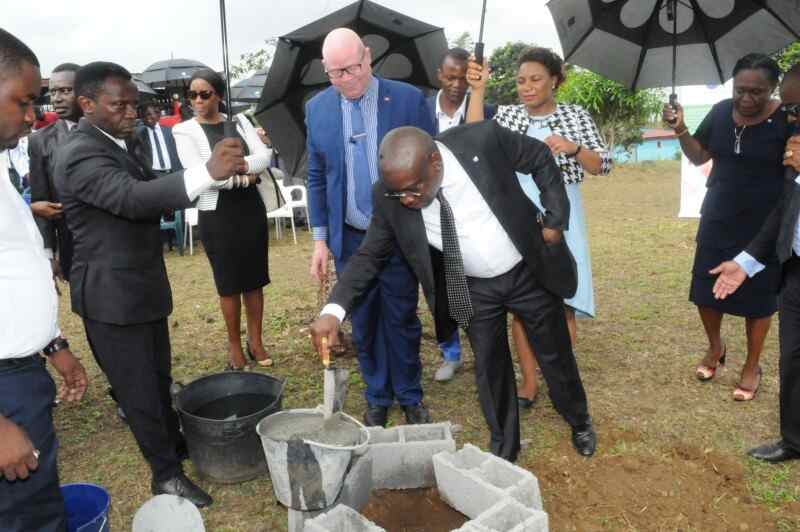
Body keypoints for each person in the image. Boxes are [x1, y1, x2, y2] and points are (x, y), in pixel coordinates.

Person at [311, 123, 596, 461]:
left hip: (526, 269)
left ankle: (579, 420)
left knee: (554, 353)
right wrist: (333, 311)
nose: (406, 199)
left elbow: (539, 157)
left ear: (434, 162)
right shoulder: (390, 196)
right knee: (490, 367)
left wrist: (554, 219)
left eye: (413, 190)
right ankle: (505, 446)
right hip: (471, 286)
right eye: (397, 192)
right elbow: (370, 255)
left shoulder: (484, 140)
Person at [55, 61, 247, 507]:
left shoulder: (122, 140)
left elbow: (149, 186)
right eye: (118, 104)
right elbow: (130, 197)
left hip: (142, 288)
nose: (130, 112)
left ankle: (174, 448)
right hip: (111, 299)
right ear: (87, 105)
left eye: (133, 103)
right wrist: (205, 173)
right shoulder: (80, 151)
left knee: (158, 379)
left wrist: (198, 176)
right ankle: (165, 476)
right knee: (138, 391)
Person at [467, 47, 611, 408]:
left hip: (564, 217)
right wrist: (479, 91)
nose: (526, 88)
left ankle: (558, 373)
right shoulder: (509, 116)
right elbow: (473, 137)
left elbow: (602, 165)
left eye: (535, 80)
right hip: (519, 216)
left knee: (563, 302)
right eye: (520, 81)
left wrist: (572, 147)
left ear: (555, 81)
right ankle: (529, 383)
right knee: (523, 302)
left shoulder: (575, 116)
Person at [306, 28, 435, 427]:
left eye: (351, 69)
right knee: (362, 321)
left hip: (398, 233)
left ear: (368, 56)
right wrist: (320, 240)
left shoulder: (408, 100)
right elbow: (316, 176)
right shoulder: (318, 109)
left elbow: (434, 160)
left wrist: (424, 197)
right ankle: (377, 396)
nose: (345, 79)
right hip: (350, 237)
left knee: (401, 316)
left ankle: (410, 394)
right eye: (334, 73)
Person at [663, 53, 791, 401]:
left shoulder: (787, 119)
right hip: (718, 216)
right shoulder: (721, 111)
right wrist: (680, 129)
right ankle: (716, 347)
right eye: (740, 90)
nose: (746, 99)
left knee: (760, 299)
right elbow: (699, 156)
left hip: (765, 224)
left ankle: (752, 365)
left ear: (773, 89)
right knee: (705, 290)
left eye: (757, 92)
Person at [0, 27, 88, 532]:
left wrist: (52, 344)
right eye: (24, 100)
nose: (33, 116)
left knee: (39, 508)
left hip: (20, 376)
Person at [711, 64, 800, 461]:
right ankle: (794, 441)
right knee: (792, 358)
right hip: (794, 266)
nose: (791, 121)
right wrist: (746, 261)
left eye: (796, 110)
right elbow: (786, 208)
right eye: (793, 111)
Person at [173, 69, 273, 371]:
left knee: (255, 280)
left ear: (218, 94)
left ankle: (255, 342)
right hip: (217, 214)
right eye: (192, 95)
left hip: (249, 211)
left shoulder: (239, 121)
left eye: (205, 94)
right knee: (228, 284)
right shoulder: (184, 131)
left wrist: (236, 165)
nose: (198, 100)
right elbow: (201, 175)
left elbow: (264, 157)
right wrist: (244, 177)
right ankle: (233, 345)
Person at [425, 47, 496, 383]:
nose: (456, 84)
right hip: (431, 214)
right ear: (440, 75)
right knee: (439, 288)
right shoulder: (420, 111)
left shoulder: (486, 111)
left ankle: (485, 350)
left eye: (462, 77)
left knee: (477, 286)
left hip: (474, 215)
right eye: (450, 77)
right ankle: (450, 352)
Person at [28, 62, 81, 282]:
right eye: (53, 92)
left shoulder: (108, 132)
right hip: (72, 247)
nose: (57, 98)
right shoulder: (40, 141)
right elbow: (42, 203)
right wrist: (48, 253)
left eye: (66, 91)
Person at [136, 101, 181, 176]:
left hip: (175, 171)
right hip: (155, 175)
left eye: (149, 114)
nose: (147, 118)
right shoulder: (140, 134)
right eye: (143, 116)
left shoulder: (170, 131)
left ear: (157, 114)